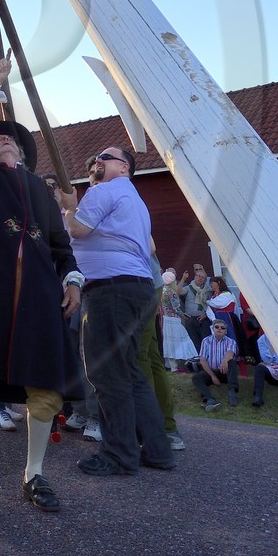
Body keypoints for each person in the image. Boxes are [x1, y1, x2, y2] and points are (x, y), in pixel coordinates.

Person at [0, 57, 83, 514]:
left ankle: (35, 475)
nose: (4, 141)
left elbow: (63, 246)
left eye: (11, 139)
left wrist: (74, 283)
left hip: (41, 301)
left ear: (23, 153)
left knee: (45, 387)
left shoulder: (40, 191)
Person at [57, 143, 170, 477]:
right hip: (138, 288)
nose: (97, 161)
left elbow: (78, 230)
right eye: (95, 158)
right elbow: (149, 245)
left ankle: (118, 455)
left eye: (105, 158)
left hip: (110, 289)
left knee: (106, 373)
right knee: (131, 371)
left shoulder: (103, 191)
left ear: (124, 167)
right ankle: (157, 449)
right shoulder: (135, 201)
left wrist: (68, 208)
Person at [192, 319, 238, 410]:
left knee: (232, 362)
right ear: (213, 329)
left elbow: (230, 353)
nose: (219, 329)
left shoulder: (231, 341)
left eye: (222, 328)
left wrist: (225, 361)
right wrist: (213, 376)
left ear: (226, 331)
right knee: (196, 378)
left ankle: (232, 393)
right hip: (210, 371)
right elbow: (203, 360)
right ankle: (209, 399)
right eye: (216, 327)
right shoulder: (206, 341)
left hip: (224, 371)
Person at [179, 263, 212, 353]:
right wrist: (183, 278)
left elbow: (211, 305)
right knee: (193, 340)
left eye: (202, 277)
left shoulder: (209, 290)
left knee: (205, 339)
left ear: (205, 280)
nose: (199, 278)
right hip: (190, 318)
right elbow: (179, 291)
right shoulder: (189, 288)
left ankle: (206, 358)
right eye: (197, 275)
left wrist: (205, 315)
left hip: (204, 319)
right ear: (194, 276)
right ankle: (198, 361)